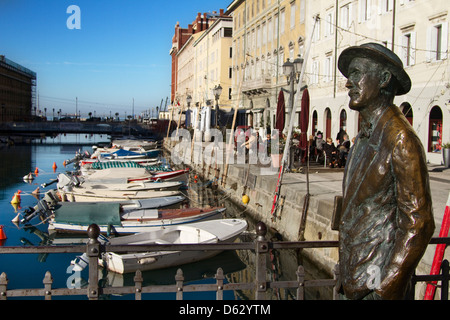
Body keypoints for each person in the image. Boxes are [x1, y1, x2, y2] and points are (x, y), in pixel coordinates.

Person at [335, 43, 435, 300]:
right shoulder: (364, 137)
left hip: (376, 285)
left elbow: (418, 223)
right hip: (355, 278)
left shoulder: (400, 138)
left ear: (383, 79)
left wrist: (385, 288)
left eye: (356, 73)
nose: (349, 83)